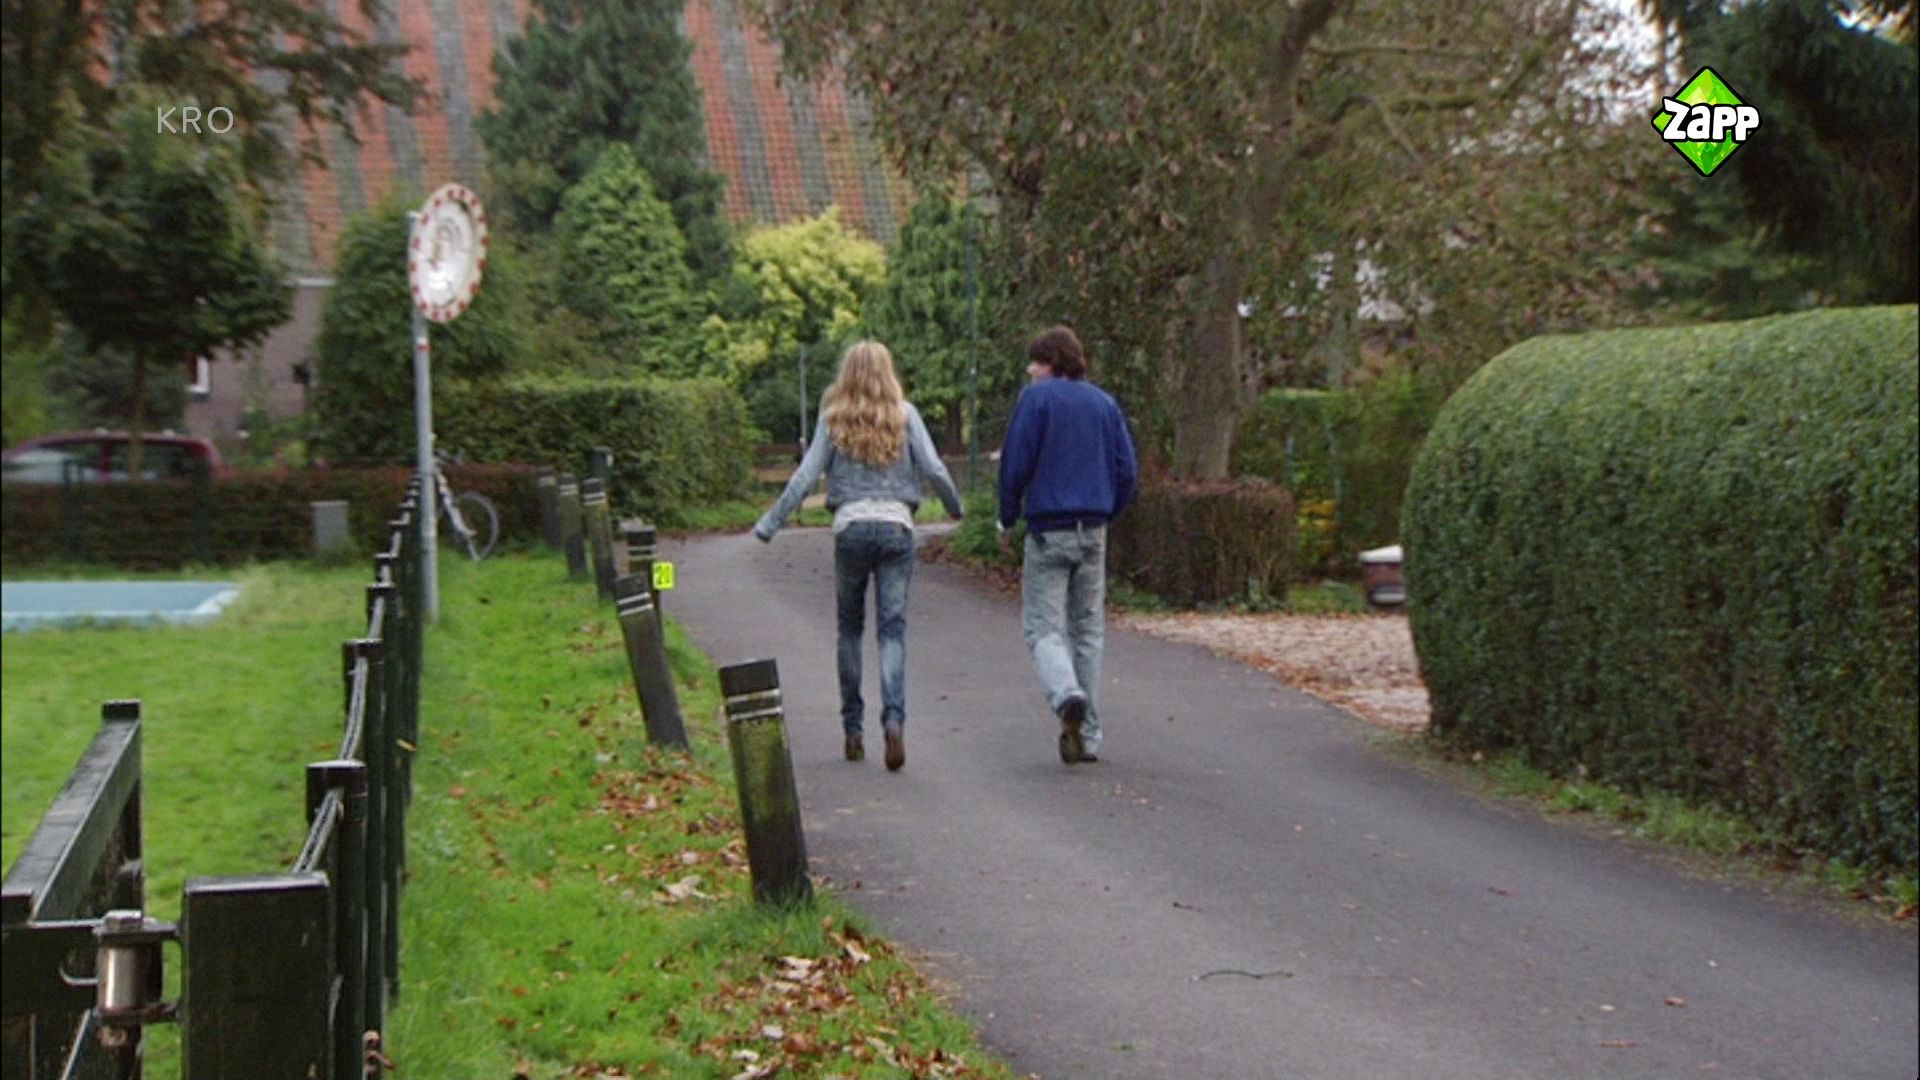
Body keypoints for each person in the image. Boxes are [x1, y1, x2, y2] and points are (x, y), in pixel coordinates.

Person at [755, 341, 964, 771]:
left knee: (849, 630)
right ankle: (894, 720)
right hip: (896, 528)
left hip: (850, 529)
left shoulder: (833, 419)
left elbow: (806, 475)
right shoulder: (906, 415)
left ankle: (853, 730)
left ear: (846, 373)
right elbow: (934, 468)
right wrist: (956, 508)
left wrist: (770, 524)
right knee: (892, 632)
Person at [997, 326, 1138, 764]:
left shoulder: (1036, 400)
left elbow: (1016, 463)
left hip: (1048, 529)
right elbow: (1127, 470)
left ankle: (1065, 693)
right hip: (1093, 527)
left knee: (1043, 627)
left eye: (1036, 362)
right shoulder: (1104, 404)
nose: (1030, 370)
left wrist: (1007, 516)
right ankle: (1089, 734)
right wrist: (1107, 510)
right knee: (1088, 630)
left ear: (1052, 363)